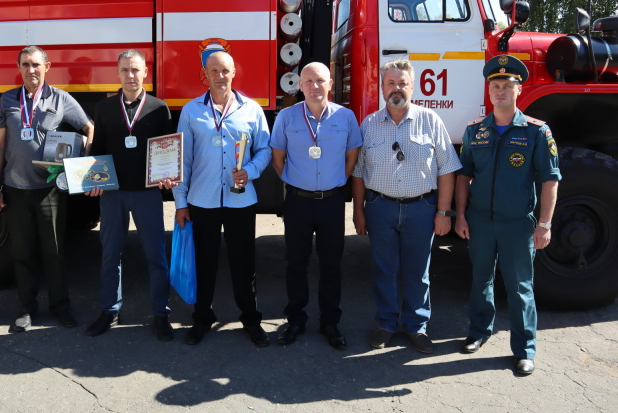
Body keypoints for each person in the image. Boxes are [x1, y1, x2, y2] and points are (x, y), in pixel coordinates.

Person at [455, 55, 560, 376]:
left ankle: (525, 349)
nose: (500, 91)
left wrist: (544, 224)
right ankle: (478, 332)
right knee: (480, 280)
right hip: (480, 221)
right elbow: (463, 176)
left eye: (507, 86)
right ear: (489, 91)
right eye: (495, 86)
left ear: (518, 90)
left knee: (519, 287)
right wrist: (460, 216)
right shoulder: (475, 131)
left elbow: (550, 179)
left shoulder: (536, 132)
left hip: (518, 225)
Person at [352, 59, 461, 354]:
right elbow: (359, 172)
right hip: (380, 207)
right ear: (382, 88)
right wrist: (358, 211)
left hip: (421, 208)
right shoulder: (370, 124)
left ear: (413, 87)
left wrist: (443, 212)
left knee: (417, 271)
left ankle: (417, 326)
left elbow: (447, 170)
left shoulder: (431, 121)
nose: (396, 88)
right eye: (391, 83)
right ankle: (386, 324)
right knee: (384, 269)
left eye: (402, 83)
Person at [0, 45, 94, 333]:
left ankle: (61, 307)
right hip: (14, 188)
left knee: (55, 251)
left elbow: (89, 127)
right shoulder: (8, 100)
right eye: (25, 64)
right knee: (22, 252)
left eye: (36, 64)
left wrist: (82, 166)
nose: (31, 70)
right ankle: (26, 309)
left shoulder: (61, 99)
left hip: (49, 189)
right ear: (19, 68)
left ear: (47, 66)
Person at [172, 51, 272, 347]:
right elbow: (182, 161)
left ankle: (251, 319)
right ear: (205, 74)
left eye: (225, 70)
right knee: (204, 262)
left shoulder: (251, 110)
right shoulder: (191, 111)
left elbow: (265, 149)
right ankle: (202, 317)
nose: (220, 75)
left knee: (244, 263)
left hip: (241, 201)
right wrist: (180, 202)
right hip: (202, 201)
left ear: (233, 73)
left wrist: (250, 171)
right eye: (213, 70)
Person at [270, 62, 362, 350]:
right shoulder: (286, 117)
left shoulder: (346, 117)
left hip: (332, 202)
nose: (314, 86)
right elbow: (278, 159)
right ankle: (295, 320)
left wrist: (335, 183)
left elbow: (352, 159)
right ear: (299, 85)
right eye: (308, 81)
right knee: (295, 263)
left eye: (320, 80)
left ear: (330, 84)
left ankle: (330, 322)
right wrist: (296, 183)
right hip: (297, 201)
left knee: (331, 265)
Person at [84, 49, 174, 341]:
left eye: (136, 70)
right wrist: (93, 179)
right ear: (117, 73)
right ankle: (110, 310)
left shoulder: (160, 108)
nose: (131, 76)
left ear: (145, 72)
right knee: (111, 254)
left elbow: (167, 150)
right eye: (125, 70)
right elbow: (97, 149)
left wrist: (168, 174)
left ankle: (160, 313)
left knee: (156, 256)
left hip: (147, 194)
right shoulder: (105, 108)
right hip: (113, 193)